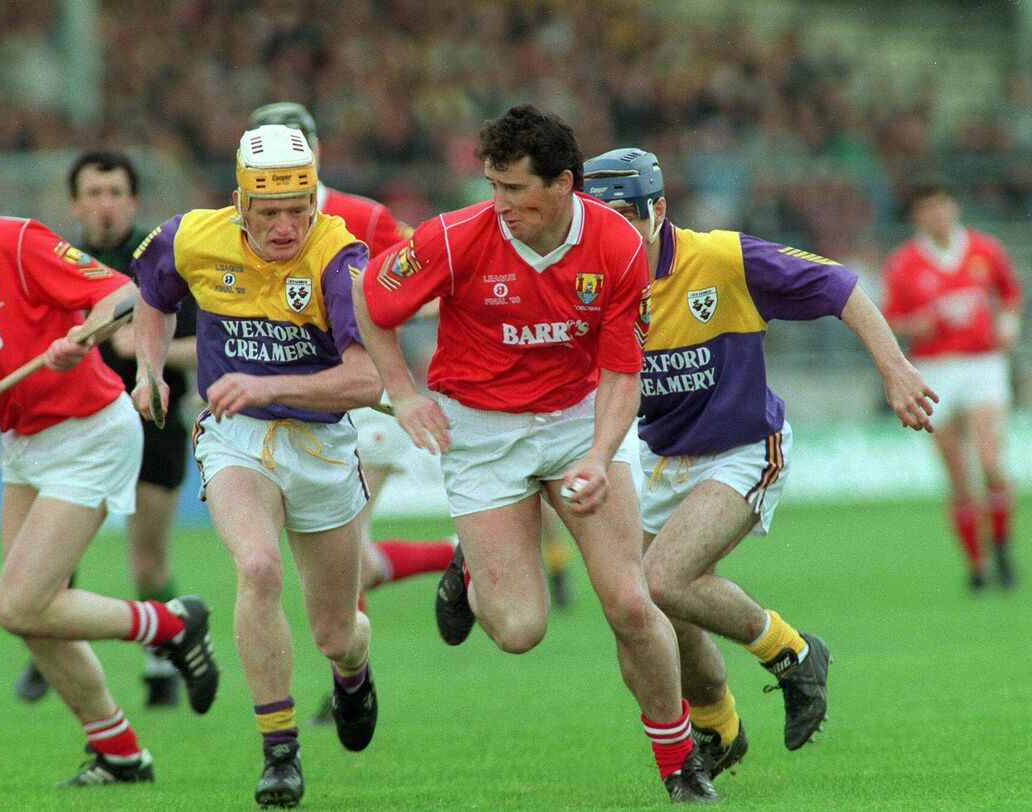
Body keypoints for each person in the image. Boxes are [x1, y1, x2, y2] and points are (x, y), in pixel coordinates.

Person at [353, 105, 717, 803]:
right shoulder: (454, 237)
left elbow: (622, 373)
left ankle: (680, 764)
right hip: (480, 432)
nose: (500, 204)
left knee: (630, 602)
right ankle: (468, 568)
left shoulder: (616, 245)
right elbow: (369, 298)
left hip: (579, 420)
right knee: (520, 630)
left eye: (515, 189)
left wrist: (600, 455)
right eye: (494, 186)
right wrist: (401, 394)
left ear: (563, 185)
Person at [0, 135, 219, 787]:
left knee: (18, 603)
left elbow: (120, 293)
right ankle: (121, 754)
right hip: (24, 447)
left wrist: (82, 334)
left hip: (90, 430)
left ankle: (172, 623)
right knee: (34, 616)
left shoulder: (14, 240)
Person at [581, 147, 937, 776]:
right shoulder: (589, 285)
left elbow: (840, 285)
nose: (614, 236)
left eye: (625, 218)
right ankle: (719, 727)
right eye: (599, 223)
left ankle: (793, 652)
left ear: (657, 210)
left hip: (745, 448)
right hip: (660, 458)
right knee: (640, 611)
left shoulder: (720, 259)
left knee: (663, 579)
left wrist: (895, 368)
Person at [131, 124, 382, 808]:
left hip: (322, 446)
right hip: (235, 437)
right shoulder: (193, 236)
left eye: (299, 208)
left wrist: (267, 383)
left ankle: (354, 673)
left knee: (337, 633)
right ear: (241, 202)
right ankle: (279, 752)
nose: (286, 226)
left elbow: (367, 381)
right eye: (269, 212)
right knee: (260, 568)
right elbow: (153, 296)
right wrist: (149, 368)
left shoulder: (340, 257)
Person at [249, 101, 574, 625]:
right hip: (299, 400)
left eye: (294, 147)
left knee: (342, 562)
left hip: (366, 404)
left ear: (316, 152)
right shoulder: (240, 228)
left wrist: (403, 316)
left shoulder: (363, 216)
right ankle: (453, 553)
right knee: (341, 567)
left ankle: (351, 677)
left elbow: (435, 278)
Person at [13, 150, 196, 707]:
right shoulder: (61, 262)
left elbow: (206, 349)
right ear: (75, 204)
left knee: (148, 562)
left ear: (133, 201)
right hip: (80, 429)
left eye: (115, 192)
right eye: (94, 193)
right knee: (56, 560)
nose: (105, 204)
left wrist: (150, 351)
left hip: (152, 421)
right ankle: (50, 652)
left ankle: (163, 665)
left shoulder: (162, 260)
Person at [883, 177, 1022, 591]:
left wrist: (1008, 322)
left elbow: (1009, 294)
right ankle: (977, 566)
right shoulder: (905, 263)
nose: (937, 215)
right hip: (934, 369)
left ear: (955, 207)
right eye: (928, 208)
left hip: (982, 364)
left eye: (942, 205)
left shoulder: (984, 249)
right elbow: (891, 320)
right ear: (917, 216)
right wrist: (919, 324)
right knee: (959, 478)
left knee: (990, 462)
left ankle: (1002, 547)